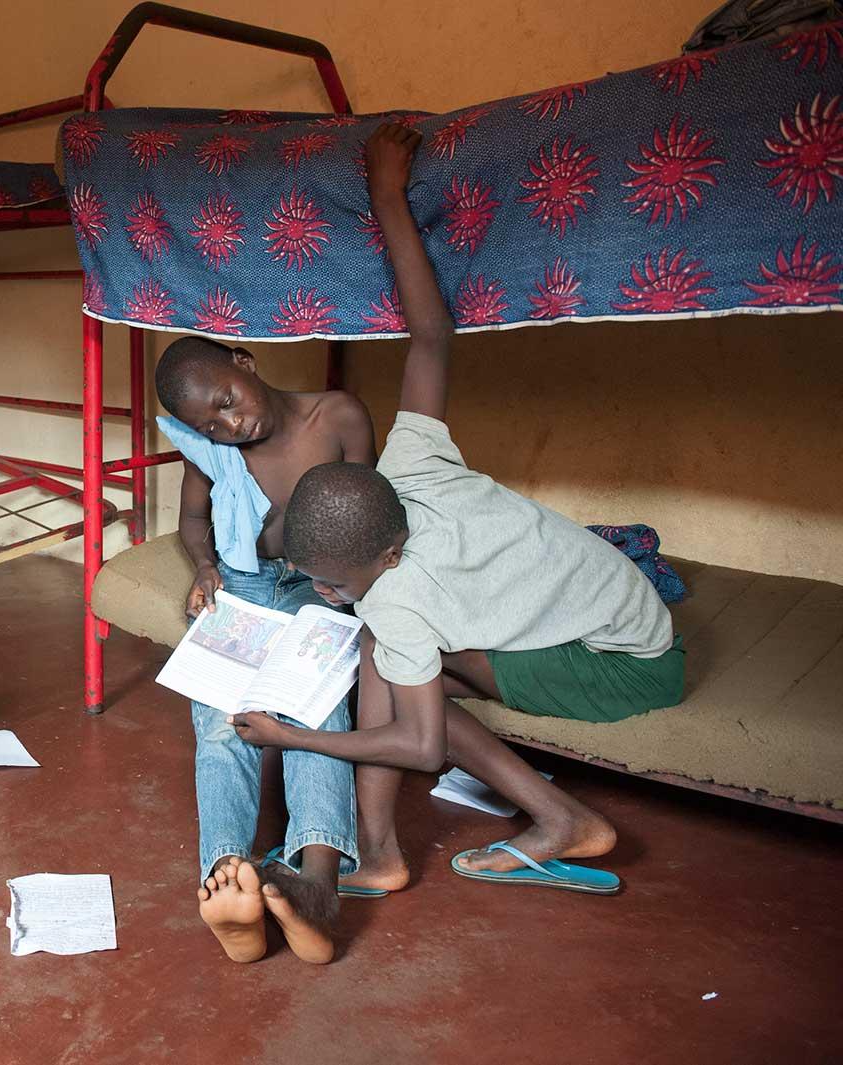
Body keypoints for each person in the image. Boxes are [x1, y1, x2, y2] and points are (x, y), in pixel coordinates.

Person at [230, 122, 685, 896]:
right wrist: (388, 195)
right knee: (387, 655)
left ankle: (559, 819)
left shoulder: (397, 597)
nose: (327, 593)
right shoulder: (412, 462)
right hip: (619, 612)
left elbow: (419, 747)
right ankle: (379, 851)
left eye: (334, 582)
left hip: (625, 666)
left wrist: (293, 736)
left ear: (387, 555)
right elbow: (432, 338)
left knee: (391, 662)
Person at [154, 325, 375, 963]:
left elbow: (365, 514)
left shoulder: (337, 417)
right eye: (211, 425)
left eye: (227, 402)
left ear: (245, 362)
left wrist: (343, 581)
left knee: (315, 711)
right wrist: (204, 568)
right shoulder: (209, 446)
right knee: (222, 721)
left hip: (317, 583)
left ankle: (317, 889)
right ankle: (231, 880)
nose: (230, 426)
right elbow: (193, 520)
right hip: (243, 582)